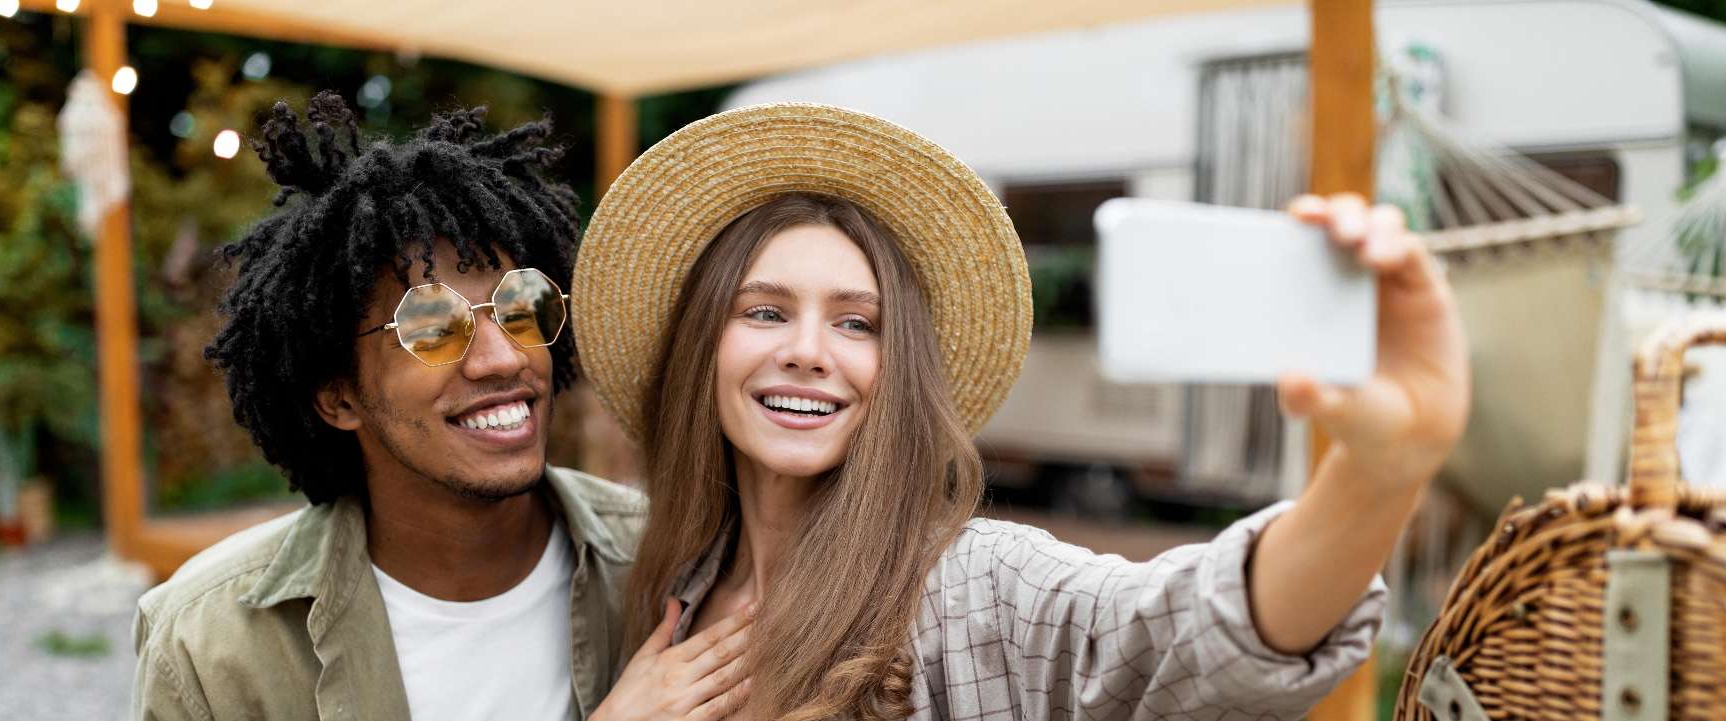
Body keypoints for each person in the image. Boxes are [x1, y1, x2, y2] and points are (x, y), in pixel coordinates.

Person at [573, 103, 1470, 720]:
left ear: (898, 370)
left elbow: (1188, 632)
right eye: (765, 310)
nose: (810, 349)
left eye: (857, 322)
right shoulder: (670, 588)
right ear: (705, 348)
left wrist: (1379, 472)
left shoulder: (973, 589)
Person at [129, 92, 734, 721]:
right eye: (431, 324)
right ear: (338, 397)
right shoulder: (209, 643)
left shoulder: (670, 561)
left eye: (520, 304)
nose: (502, 358)